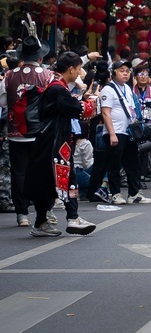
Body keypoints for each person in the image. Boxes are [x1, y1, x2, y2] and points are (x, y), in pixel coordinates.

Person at [25, 52, 99, 236]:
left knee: (48, 181)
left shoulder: (55, 83)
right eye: (79, 68)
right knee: (67, 178)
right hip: (55, 143)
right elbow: (78, 110)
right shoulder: (58, 89)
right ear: (71, 69)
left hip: (48, 142)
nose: (80, 72)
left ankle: (41, 221)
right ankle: (73, 218)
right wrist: (89, 102)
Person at [4, 32, 52, 227]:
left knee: (19, 173)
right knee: (42, 171)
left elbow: (2, 100)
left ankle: (21, 213)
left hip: (16, 132)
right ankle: (44, 211)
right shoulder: (48, 75)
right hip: (40, 131)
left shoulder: (9, 75)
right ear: (40, 57)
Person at [92, 59, 151, 205]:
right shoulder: (108, 89)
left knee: (132, 163)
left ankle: (134, 193)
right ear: (113, 73)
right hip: (115, 131)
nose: (125, 74)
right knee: (115, 164)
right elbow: (106, 113)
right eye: (121, 71)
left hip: (128, 132)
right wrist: (111, 134)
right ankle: (115, 193)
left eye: (127, 71)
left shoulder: (128, 89)